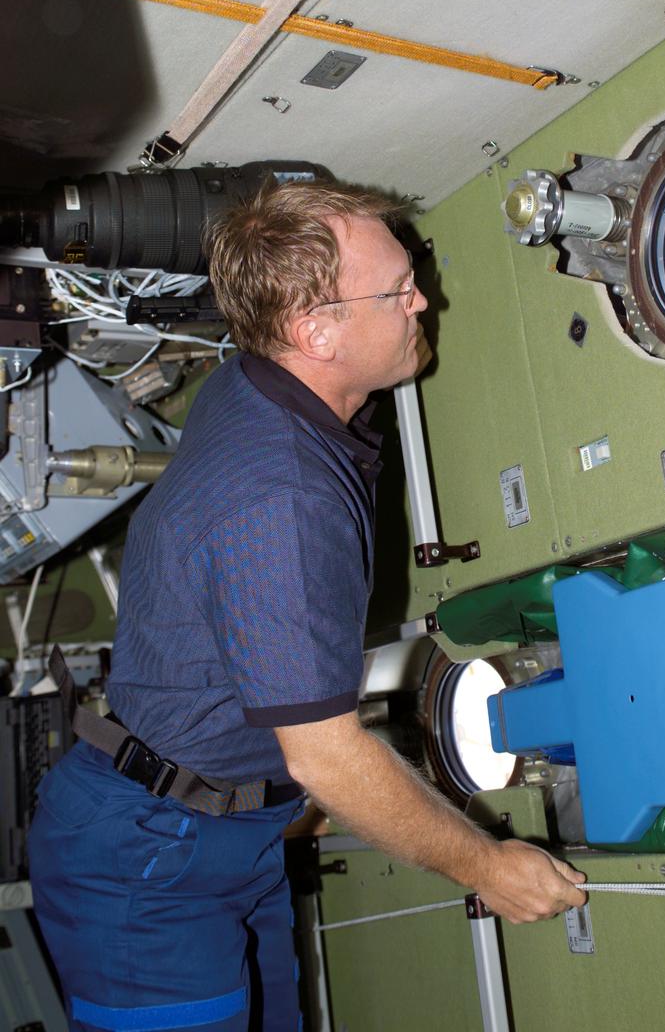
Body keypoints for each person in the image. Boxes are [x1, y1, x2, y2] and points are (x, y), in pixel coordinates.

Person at [29, 178, 587, 1032]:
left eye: (413, 274)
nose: (421, 299)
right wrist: (485, 865)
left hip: (227, 825)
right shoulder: (280, 498)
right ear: (312, 329)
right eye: (397, 290)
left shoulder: (249, 381)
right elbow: (325, 755)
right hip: (146, 858)